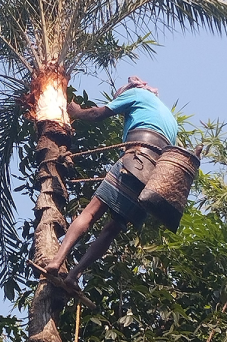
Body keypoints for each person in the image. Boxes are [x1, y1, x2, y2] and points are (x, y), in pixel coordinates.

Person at [44, 76, 178, 291]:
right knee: (112, 229)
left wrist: (75, 112)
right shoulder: (169, 118)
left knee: (90, 213)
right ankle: (74, 276)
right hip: (154, 179)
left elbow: (98, 113)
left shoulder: (135, 94)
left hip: (137, 160)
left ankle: (56, 261)